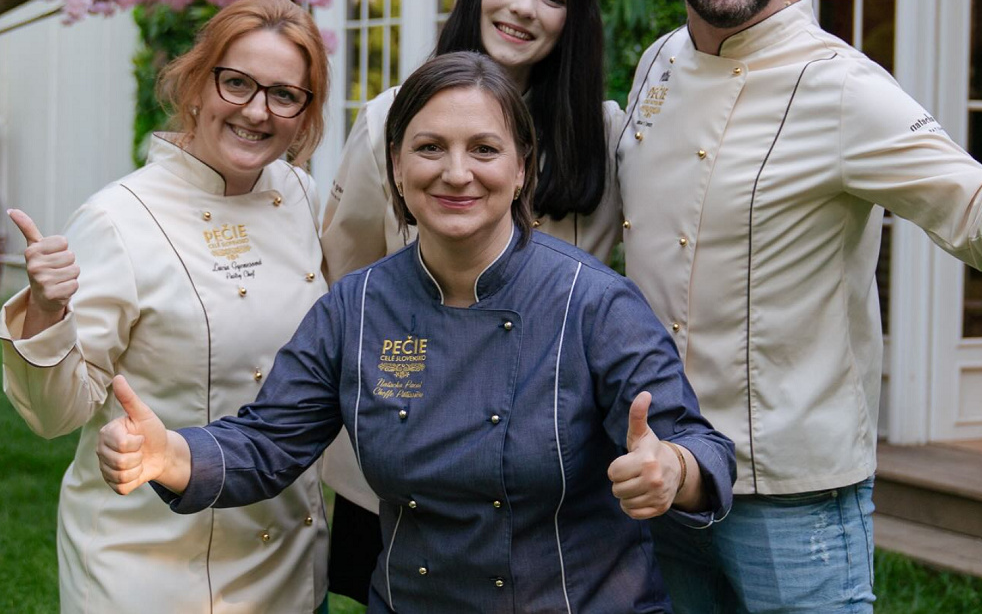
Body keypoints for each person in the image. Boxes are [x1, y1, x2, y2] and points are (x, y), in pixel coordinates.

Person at [96, 51, 736, 614]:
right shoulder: (358, 307)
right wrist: (172, 456)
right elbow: (269, 441)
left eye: (484, 149)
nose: (456, 173)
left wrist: (673, 469)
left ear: (521, 171)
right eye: (430, 148)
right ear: (396, 168)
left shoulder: (592, 301)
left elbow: (697, 446)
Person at [616, 0, 982, 613]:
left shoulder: (844, 87)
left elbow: (976, 213)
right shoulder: (656, 62)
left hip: (793, 492)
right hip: (667, 470)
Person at [320, 0, 625, 599]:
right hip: (409, 459)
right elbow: (347, 272)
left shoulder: (602, 133)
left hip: (549, 462)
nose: (522, 6)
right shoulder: (388, 120)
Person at [1, 0, 332, 614]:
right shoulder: (118, 220)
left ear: (304, 113)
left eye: (285, 95)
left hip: (285, 548)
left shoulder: (300, 195)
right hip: (150, 563)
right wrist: (47, 313)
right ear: (197, 85)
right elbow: (54, 416)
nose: (258, 111)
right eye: (236, 83)